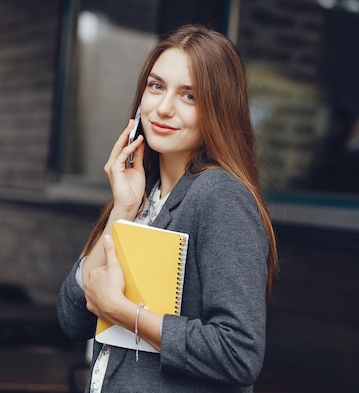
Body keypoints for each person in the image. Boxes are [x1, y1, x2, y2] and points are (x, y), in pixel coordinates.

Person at [56, 24, 278, 393]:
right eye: (156, 86)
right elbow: (71, 319)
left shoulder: (219, 195)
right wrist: (122, 212)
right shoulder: (144, 196)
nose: (163, 107)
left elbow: (240, 353)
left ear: (218, 110)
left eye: (189, 96)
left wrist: (126, 313)